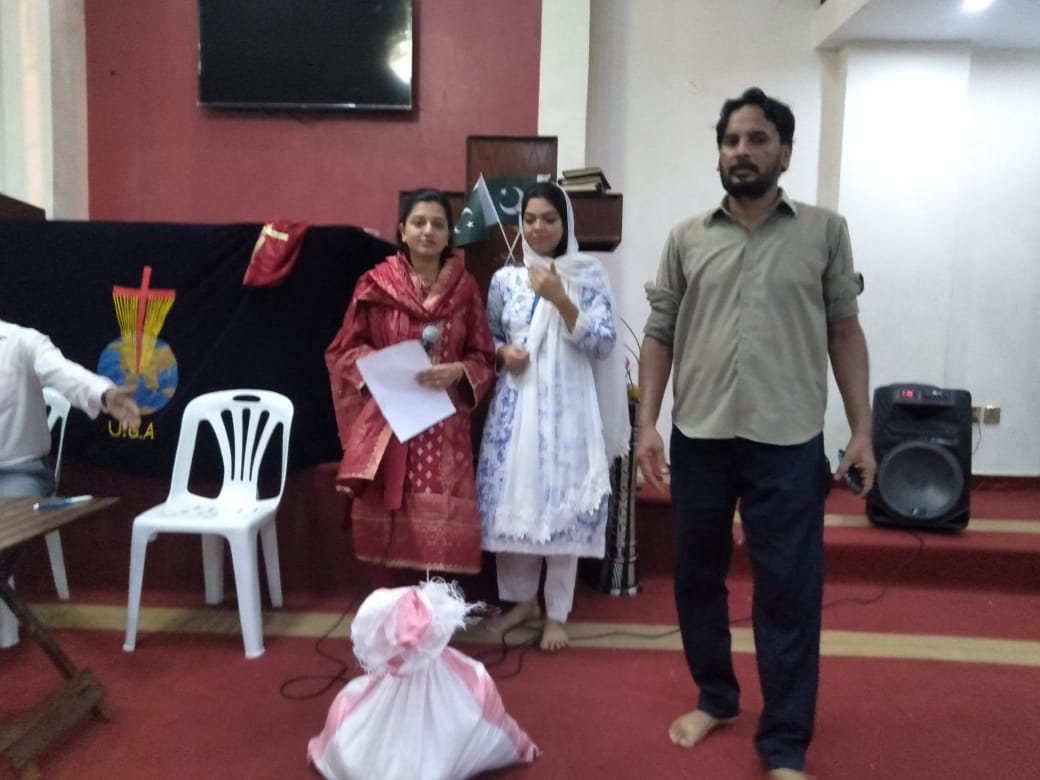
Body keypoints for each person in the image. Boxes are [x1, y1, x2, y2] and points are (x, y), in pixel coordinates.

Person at [635, 87, 876, 780]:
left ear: (785, 152)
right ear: (719, 153)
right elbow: (659, 333)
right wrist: (646, 423)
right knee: (696, 578)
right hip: (700, 436)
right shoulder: (687, 237)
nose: (742, 151)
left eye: (758, 139)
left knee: (789, 590)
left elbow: (844, 332)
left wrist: (862, 429)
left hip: (788, 440)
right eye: (731, 140)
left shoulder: (825, 232)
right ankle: (716, 696)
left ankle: (785, 742)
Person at [476, 181, 629, 652]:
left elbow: (604, 343)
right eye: (529, 219)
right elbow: (486, 338)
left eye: (549, 218)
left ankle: (557, 612)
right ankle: (522, 602)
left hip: (568, 410)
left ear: (566, 223)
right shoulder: (505, 280)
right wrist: (503, 353)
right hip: (515, 406)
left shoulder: (588, 274)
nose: (538, 228)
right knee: (514, 500)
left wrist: (561, 298)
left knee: (565, 502)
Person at [325, 188, 496, 574]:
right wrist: (386, 368)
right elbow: (344, 350)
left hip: (444, 424)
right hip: (393, 419)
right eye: (419, 222)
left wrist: (458, 370)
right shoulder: (375, 285)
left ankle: (437, 604)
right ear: (402, 230)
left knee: (442, 529)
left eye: (438, 224)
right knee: (392, 516)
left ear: (449, 234)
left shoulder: (465, 289)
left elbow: (484, 356)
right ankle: (395, 604)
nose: (428, 231)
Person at [0, 317, 141, 497]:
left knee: (9, 514)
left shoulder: (22, 342)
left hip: (19, 471)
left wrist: (104, 394)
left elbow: (65, 374)